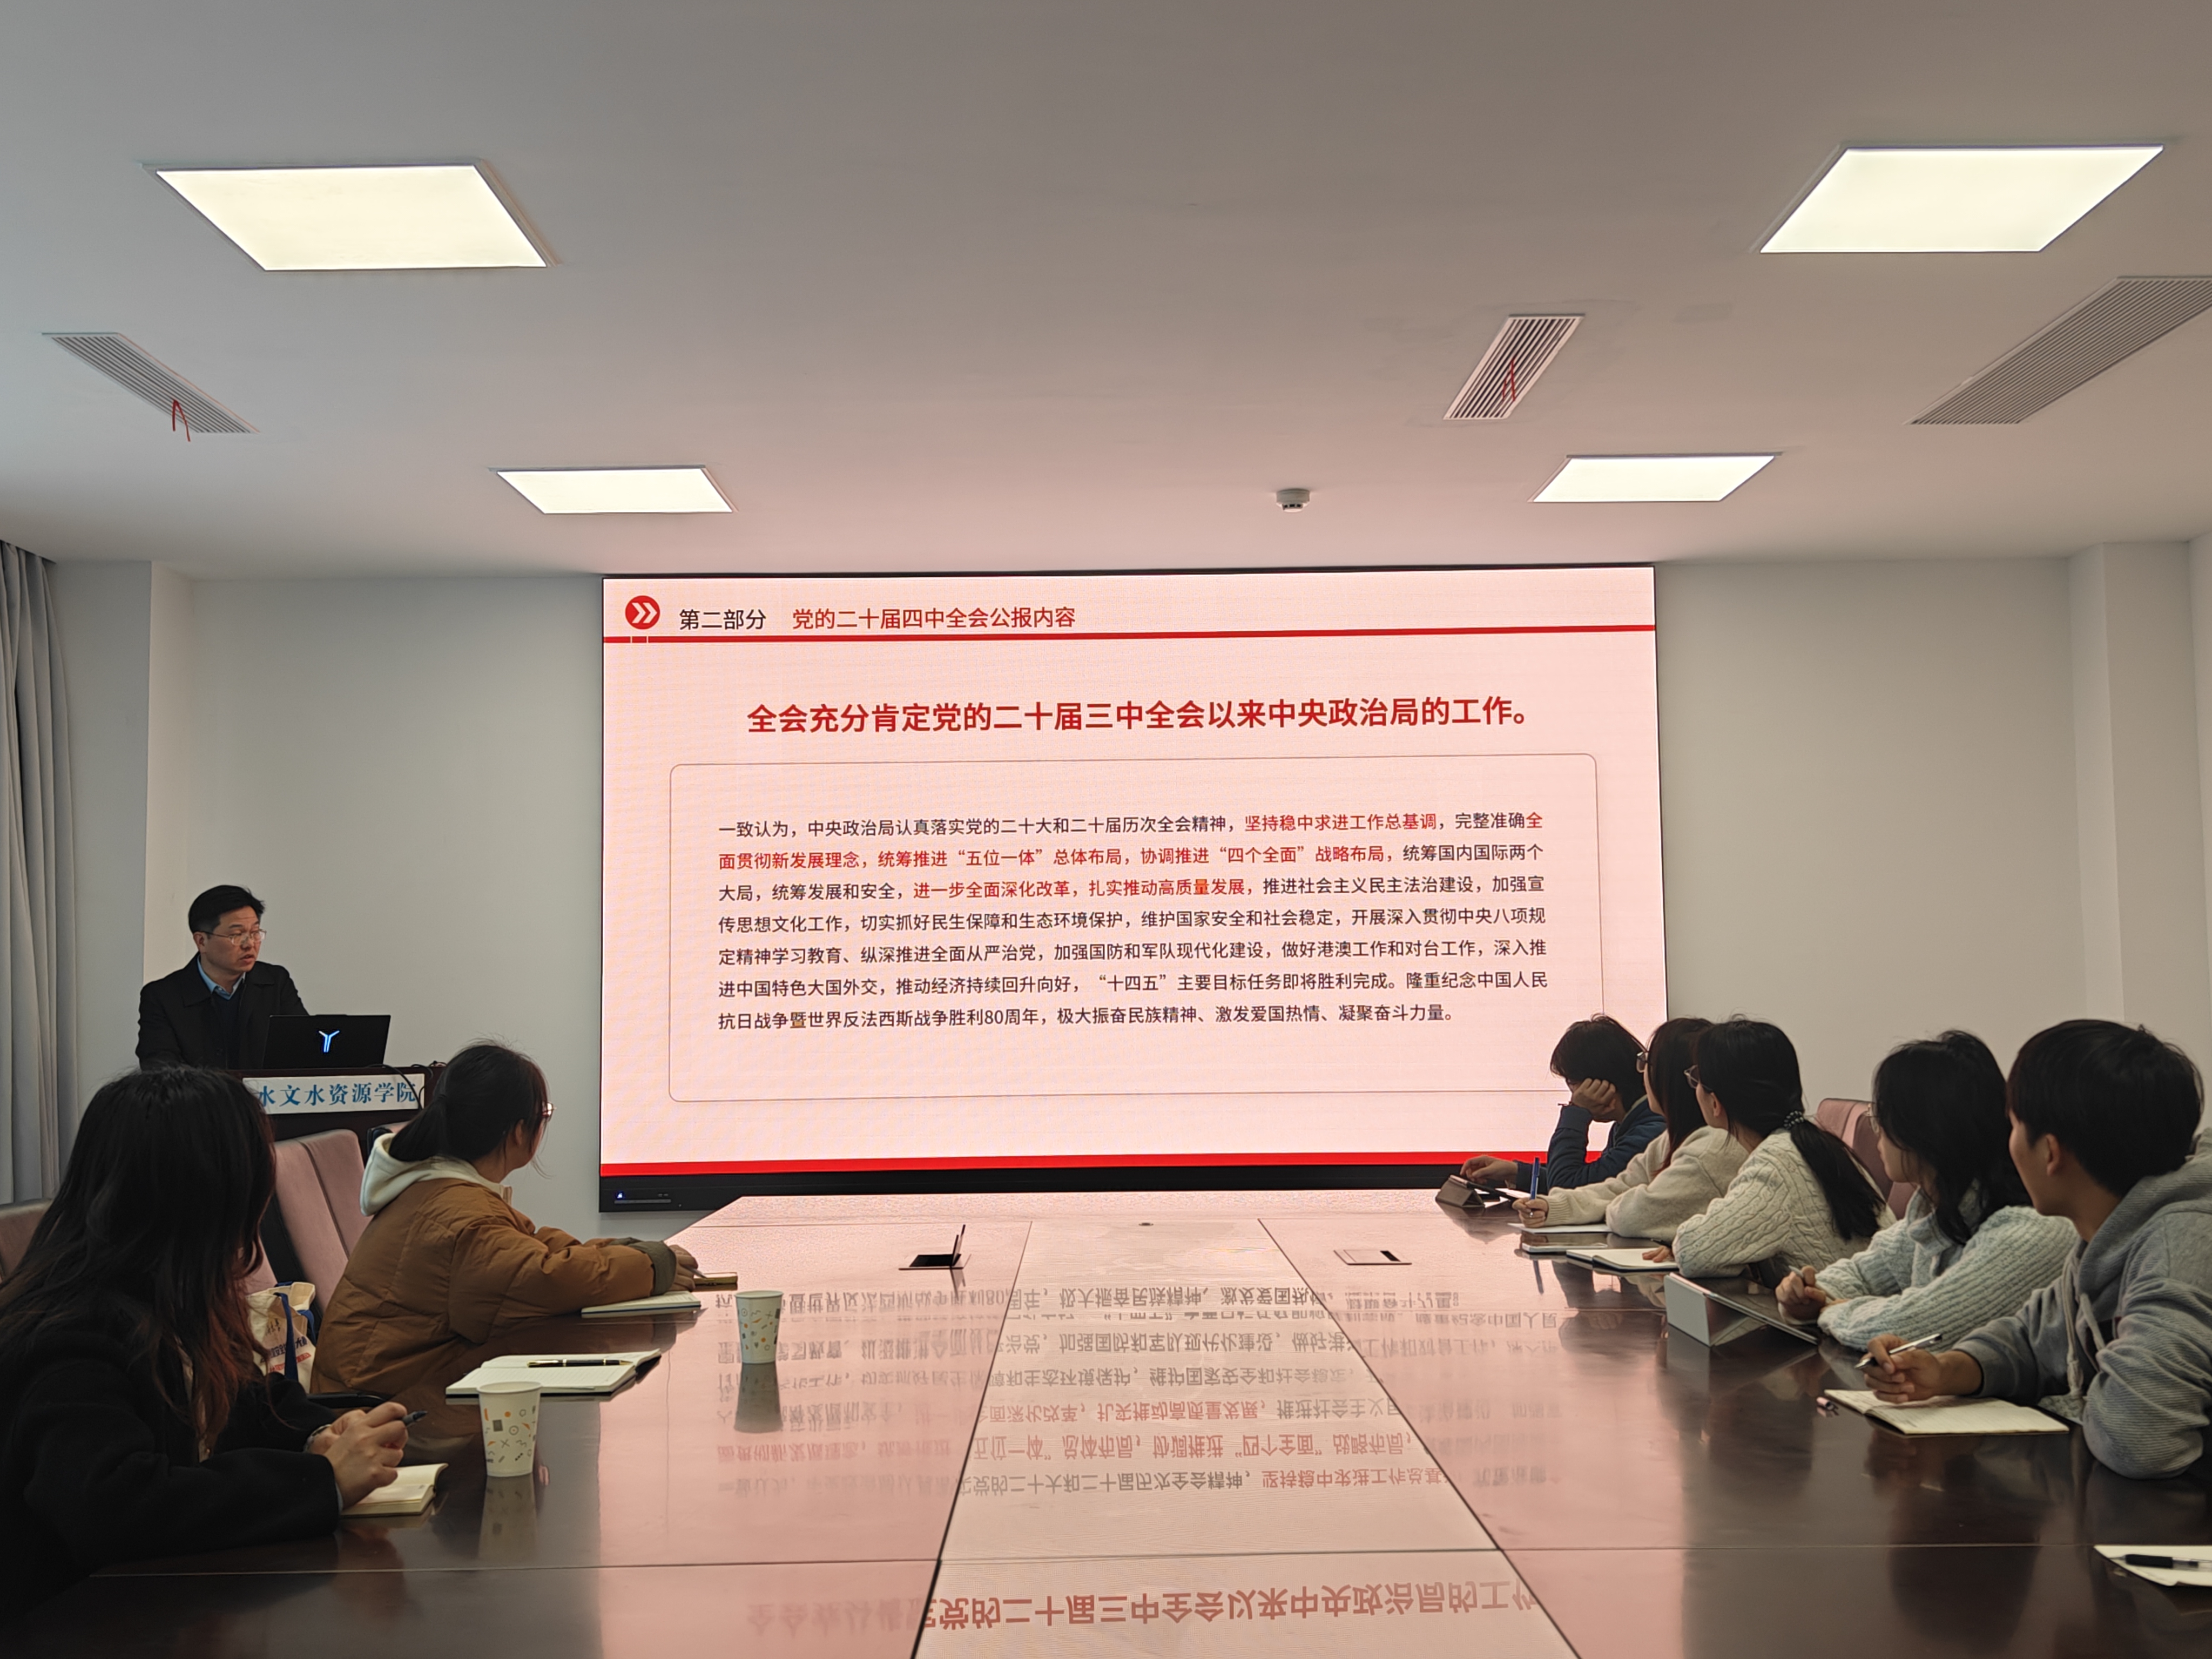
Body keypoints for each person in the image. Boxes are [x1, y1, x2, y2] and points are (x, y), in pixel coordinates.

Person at [0, 1068, 408, 1626]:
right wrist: (320, 1482)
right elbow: (116, 1508)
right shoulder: (68, 1333)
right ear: (207, 1199)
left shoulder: (159, 1294)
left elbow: (240, 1403)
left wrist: (320, 1435)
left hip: (161, 1613)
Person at [1867, 1019, 2212, 1480]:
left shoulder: (2176, 1250)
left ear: (2050, 1153)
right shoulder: (2109, 1230)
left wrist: (2074, 1399)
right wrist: (1945, 1371)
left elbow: (2136, 1438)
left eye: (2013, 1126)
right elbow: (2031, 1341)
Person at [316, 1042, 701, 1396]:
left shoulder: (441, 1190)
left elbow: (533, 1248)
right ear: (518, 1132)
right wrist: (652, 1266)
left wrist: (628, 1252)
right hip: (377, 1412)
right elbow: (546, 1279)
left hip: (393, 1391)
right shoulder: (461, 1215)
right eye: (544, 1116)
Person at [1776, 1031, 2073, 1348]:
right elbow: (1863, 1273)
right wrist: (1813, 1295)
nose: (1878, 1133)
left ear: (1925, 1129)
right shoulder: (1939, 1211)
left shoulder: (2029, 1233)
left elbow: (1918, 1327)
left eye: (1883, 1118)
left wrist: (1832, 1310)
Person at [1658, 1018, 1888, 1282]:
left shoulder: (1775, 1166)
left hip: (1840, 1305)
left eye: (1697, 1079)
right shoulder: (1819, 1145)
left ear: (1715, 1103)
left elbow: (1693, 1251)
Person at [1513, 1016, 1746, 1240]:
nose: (1642, 1072)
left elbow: (1631, 1215)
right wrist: (1548, 1201)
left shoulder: (1664, 1135)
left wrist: (1576, 1112)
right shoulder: (1664, 1138)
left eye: (1647, 1064)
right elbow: (1617, 1187)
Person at [1459, 1015, 1664, 1193]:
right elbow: (1590, 1185)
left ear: (1600, 1084)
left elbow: (1566, 1187)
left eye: (1572, 1084)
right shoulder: (1632, 1123)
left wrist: (1576, 1113)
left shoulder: (1650, 1134)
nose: (1573, 1095)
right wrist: (1517, 1173)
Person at [136, 885, 309, 1070]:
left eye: (255, 933)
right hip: (199, 1090)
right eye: (236, 935)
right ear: (201, 941)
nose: (249, 944)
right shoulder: (163, 996)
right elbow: (160, 1068)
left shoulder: (276, 982)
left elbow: (304, 1048)